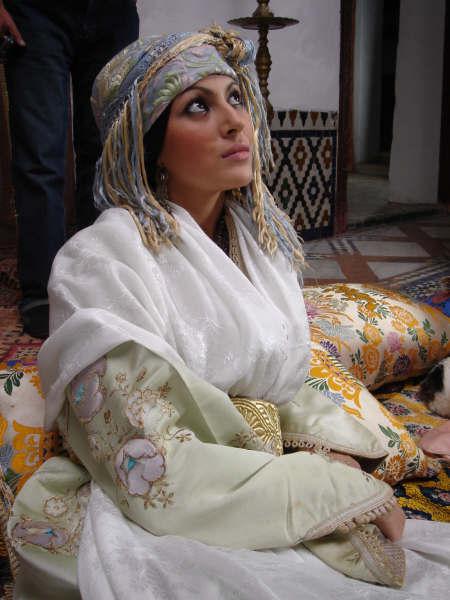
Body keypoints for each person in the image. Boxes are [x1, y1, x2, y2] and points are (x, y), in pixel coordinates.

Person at [7, 27, 433, 600]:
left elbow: (281, 382)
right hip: (172, 492)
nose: (235, 122)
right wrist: (322, 487)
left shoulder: (261, 246)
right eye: (197, 107)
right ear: (149, 142)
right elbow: (145, 455)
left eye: (236, 98)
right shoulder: (101, 262)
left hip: (258, 470)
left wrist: (332, 452)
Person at [0, 0, 139, 338]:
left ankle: (101, 283)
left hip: (113, 12)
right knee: (39, 159)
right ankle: (44, 293)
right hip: (33, 11)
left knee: (106, 155)